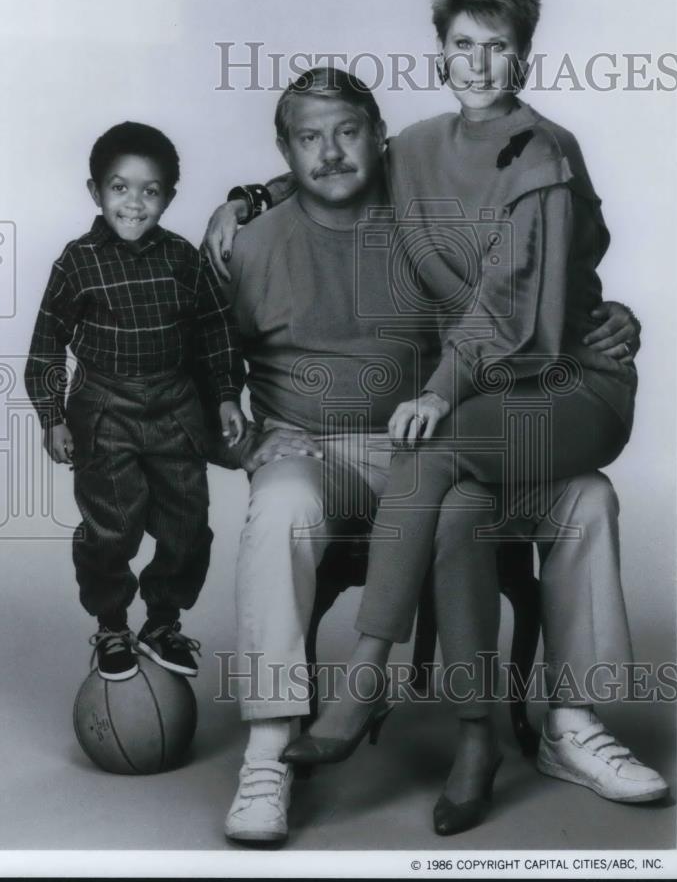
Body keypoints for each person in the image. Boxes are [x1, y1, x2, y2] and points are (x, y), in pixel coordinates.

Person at [205, 67, 648, 844]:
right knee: (279, 504)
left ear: (380, 137)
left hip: (452, 445)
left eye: (348, 132)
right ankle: (271, 745)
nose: (331, 153)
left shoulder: (430, 216)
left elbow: (529, 283)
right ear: (284, 149)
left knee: (586, 496)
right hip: (324, 456)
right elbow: (197, 376)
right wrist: (244, 440)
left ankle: (571, 723)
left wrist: (606, 316)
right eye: (308, 138)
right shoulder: (247, 244)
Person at [275, 0, 668, 821]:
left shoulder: (543, 153)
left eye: (498, 46)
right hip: (493, 396)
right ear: (440, 52)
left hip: (569, 383)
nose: (478, 64)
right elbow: (335, 174)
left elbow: (512, 306)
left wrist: (442, 389)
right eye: (462, 44)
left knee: (426, 451)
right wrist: (243, 198)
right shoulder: (414, 149)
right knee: (454, 511)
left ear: (522, 55)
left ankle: (361, 679)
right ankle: (479, 738)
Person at [24, 121, 246, 682]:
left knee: (188, 525)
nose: (134, 202)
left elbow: (216, 330)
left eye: (151, 191)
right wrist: (52, 418)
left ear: (169, 196)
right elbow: (47, 342)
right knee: (111, 528)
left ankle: (162, 622)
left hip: (176, 407)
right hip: (105, 409)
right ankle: (112, 626)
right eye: (119, 187)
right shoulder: (77, 263)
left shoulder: (181, 259)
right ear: (95, 191)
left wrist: (224, 395)